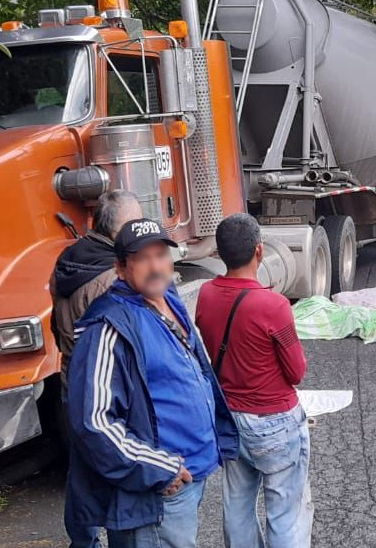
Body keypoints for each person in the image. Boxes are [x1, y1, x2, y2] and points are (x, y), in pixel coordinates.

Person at [65, 218, 239, 548]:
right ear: (120, 269)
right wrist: (160, 469)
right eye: (143, 259)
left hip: (190, 478)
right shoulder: (108, 327)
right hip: (158, 492)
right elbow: (94, 423)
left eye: (160, 254)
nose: (155, 266)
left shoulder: (168, 299)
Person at [194, 214, 313, 548]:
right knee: (285, 515)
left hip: (231, 418)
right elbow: (296, 372)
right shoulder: (273, 305)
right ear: (259, 251)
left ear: (218, 254)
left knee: (237, 508)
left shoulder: (206, 294)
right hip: (274, 421)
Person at [51, 190, 143, 548]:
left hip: (71, 381)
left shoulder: (67, 260)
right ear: (119, 228)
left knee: (82, 471)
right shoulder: (110, 276)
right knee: (116, 471)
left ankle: (83, 540)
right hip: (103, 389)